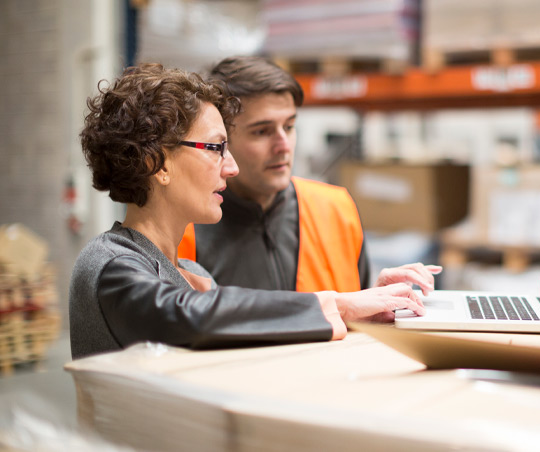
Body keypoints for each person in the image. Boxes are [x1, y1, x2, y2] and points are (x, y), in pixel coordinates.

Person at [69, 63, 425, 360]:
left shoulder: (191, 272)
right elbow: (188, 317)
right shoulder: (110, 264)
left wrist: (364, 311)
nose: (231, 167)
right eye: (216, 148)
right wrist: (339, 305)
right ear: (157, 163)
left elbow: (246, 339)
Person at [177, 56, 440, 294]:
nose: (283, 145)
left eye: (289, 127)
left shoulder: (335, 209)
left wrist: (375, 297)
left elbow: (353, 319)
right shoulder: (185, 230)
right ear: (222, 140)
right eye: (262, 131)